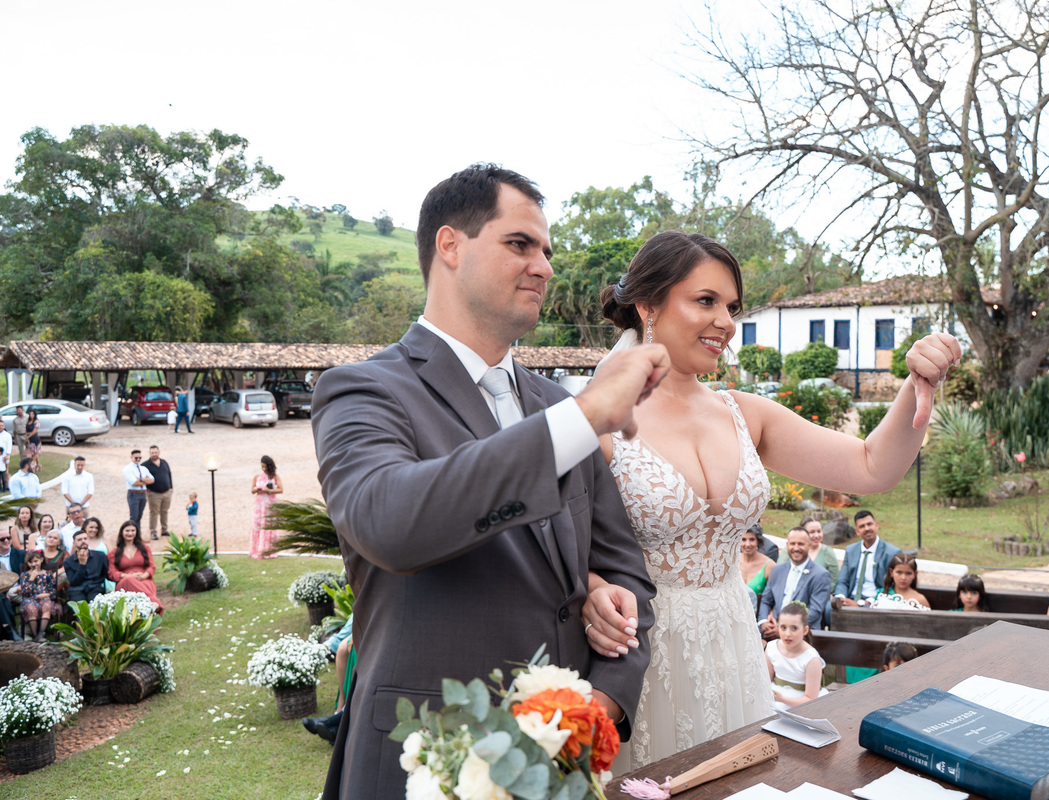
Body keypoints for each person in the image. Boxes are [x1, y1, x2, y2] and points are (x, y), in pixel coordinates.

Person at [310, 164, 659, 800]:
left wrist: (601, 704)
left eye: (547, 251)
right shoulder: (362, 389)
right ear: (450, 245)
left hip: (560, 763)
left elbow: (627, 573)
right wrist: (579, 420)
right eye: (520, 244)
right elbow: (390, 523)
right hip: (424, 759)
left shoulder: (557, 405)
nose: (544, 267)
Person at [585, 230, 960, 768]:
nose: (725, 322)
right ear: (647, 305)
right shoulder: (597, 418)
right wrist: (593, 587)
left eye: (732, 307)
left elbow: (871, 466)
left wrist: (915, 383)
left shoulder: (745, 413)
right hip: (640, 651)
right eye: (706, 301)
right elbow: (550, 548)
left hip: (733, 644)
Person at [759, 527, 830, 634]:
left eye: (801, 544)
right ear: (787, 545)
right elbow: (766, 600)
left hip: (803, 634)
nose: (796, 548)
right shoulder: (777, 570)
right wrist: (764, 622)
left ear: (809, 545)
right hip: (771, 630)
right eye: (792, 544)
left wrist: (784, 628)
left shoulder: (821, 575)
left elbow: (814, 612)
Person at [832, 511, 903, 609]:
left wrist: (862, 603)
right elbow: (842, 581)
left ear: (876, 526)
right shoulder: (850, 550)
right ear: (857, 531)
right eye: (862, 526)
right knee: (829, 608)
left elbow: (892, 587)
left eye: (869, 524)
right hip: (850, 599)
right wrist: (841, 599)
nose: (867, 528)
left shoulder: (891, 553)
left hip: (876, 602)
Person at [764, 602, 827, 711]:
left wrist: (782, 699)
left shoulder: (812, 659)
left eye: (794, 628)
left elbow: (811, 698)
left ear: (805, 630)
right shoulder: (771, 647)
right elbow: (766, 681)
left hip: (802, 702)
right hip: (776, 695)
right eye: (783, 627)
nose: (787, 634)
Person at [108, 520, 163, 613]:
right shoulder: (114, 552)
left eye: (133, 530)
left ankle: (149, 611)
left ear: (137, 532)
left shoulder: (145, 549)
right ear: (122, 532)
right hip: (124, 581)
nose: (130, 533)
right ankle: (154, 602)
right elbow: (112, 572)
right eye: (127, 531)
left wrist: (144, 576)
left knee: (146, 584)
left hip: (143, 579)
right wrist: (127, 576)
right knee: (129, 580)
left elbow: (151, 566)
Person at [17, 550, 59, 641]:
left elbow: (53, 591)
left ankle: (41, 634)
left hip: (45, 598)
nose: (33, 564)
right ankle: (35, 635)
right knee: (31, 607)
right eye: (30, 562)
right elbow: (25, 592)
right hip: (29, 599)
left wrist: (46, 594)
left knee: (47, 604)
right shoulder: (25, 575)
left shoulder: (48, 574)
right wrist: (31, 578)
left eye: (35, 561)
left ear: (41, 560)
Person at [249, 456, 283, 559]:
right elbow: (252, 490)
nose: (264, 469)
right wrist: (257, 489)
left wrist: (269, 490)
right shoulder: (257, 477)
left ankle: (268, 550)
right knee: (258, 524)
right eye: (262, 466)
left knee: (268, 524)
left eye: (265, 466)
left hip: (270, 503)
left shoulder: (275, 477)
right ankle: (257, 549)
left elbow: (281, 489)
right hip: (259, 504)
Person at [64, 530, 106, 603]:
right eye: (79, 539)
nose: (83, 541)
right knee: (80, 607)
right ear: (74, 543)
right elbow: (73, 582)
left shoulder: (100, 556)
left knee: (96, 604)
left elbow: (106, 574)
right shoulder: (68, 561)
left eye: (85, 539)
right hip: (77, 590)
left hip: (95, 588)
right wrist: (82, 565)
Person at [143, 445, 174, 541]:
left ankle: (164, 530)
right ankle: (153, 532)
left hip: (167, 492)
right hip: (154, 493)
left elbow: (169, 474)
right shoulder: (145, 465)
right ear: (149, 453)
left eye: (155, 452)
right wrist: (147, 489)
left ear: (159, 452)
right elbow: (142, 478)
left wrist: (171, 488)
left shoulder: (164, 462)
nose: (154, 454)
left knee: (164, 511)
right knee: (154, 513)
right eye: (152, 453)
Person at [0, 528, 25, 640]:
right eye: (2, 539)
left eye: (8, 538)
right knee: (3, 600)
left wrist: (22, 585)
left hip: (19, 589)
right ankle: (11, 631)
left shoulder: (21, 554)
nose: (6, 540)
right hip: (3, 591)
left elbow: (29, 572)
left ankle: (9, 631)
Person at [802, 516, 839, 586]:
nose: (816, 535)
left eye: (819, 531)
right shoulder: (795, 549)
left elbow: (834, 581)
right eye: (812, 532)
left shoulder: (828, 552)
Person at [740, 527, 776, 596]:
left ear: (758, 541)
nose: (747, 544)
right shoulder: (733, 562)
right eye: (743, 539)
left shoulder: (769, 566)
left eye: (752, 539)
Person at [83, 517, 116, 593]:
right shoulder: (81, 540)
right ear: (85, 527)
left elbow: (112, 557)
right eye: (91, 527)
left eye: (96, 528)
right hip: (87, 573)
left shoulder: (105, 540)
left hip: (104, 572)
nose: (94, 530)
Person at [123, 450, 154, 529]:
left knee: (139, 516)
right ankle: (132, 532)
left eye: (139, 458)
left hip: (142, 493)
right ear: (131, 457)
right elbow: (134, 482)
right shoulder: (128, 468)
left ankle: (138, 533)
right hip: (134, 493)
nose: (138, 459)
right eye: (136, 458)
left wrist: (140, 479)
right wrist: (145, 480)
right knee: (134, 516)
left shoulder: (143, 468)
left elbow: (152, 480)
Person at [0, 418, 11, 492]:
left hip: (5, 456)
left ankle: (6, 486)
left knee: (5, 472)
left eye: (2, 426)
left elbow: (9, 446)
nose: (1, 427)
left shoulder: (7, 435)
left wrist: (7, 455)